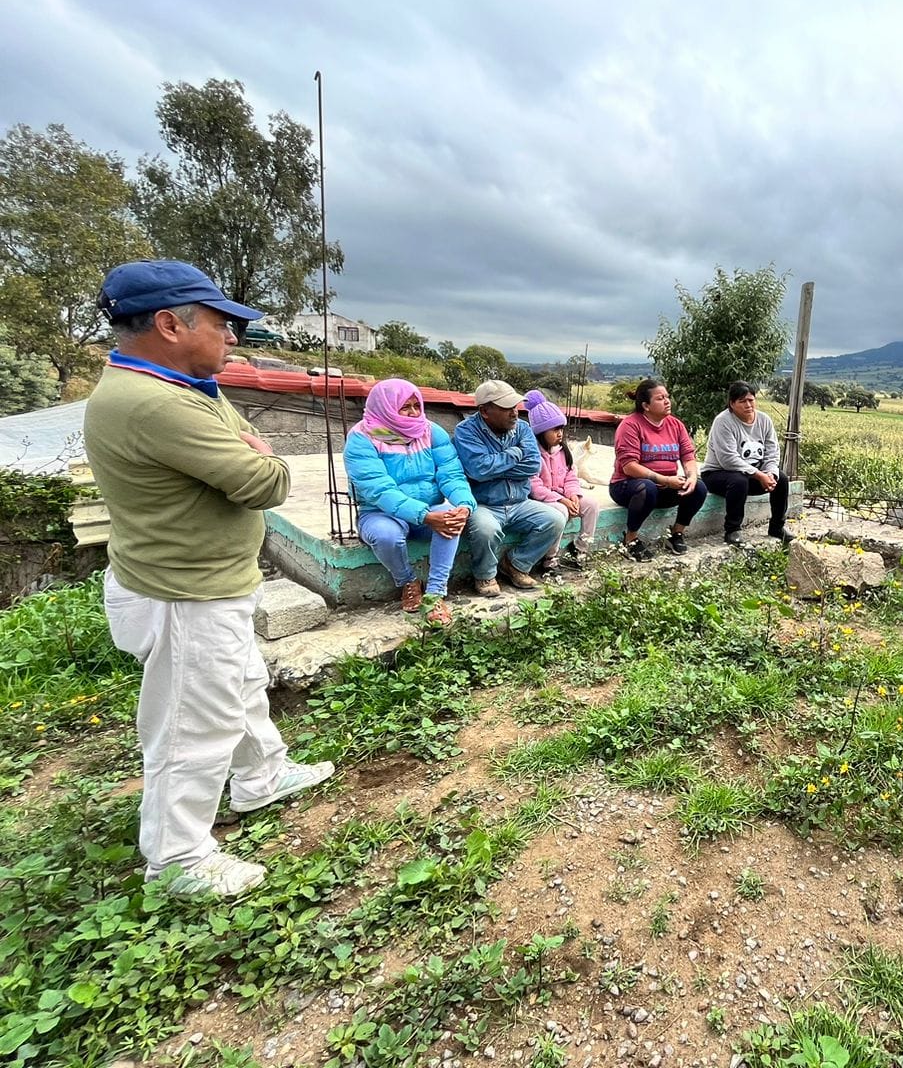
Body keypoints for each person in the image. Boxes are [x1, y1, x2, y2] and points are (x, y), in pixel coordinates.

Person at [83, 259, 334, 897]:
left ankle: (261, 777)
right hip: (183, 591)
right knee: (193, 723)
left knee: (240, 685)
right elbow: (264, 480)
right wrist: (264, 459)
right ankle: (178, 858)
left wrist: (252, 448)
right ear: (170, 323)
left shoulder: (185, 388)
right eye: (223, 323)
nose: (233, 337)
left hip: (206, 579)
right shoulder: (153, 404)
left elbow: (246, 444)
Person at [343, 378, 475, 622]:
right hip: (380, 512)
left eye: (417, 405)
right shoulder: (363, 438)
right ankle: (408, 582)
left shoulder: (430, 431)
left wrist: (464, 504)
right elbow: (379, 489)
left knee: (451, 521)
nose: (414, 413)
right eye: (405, 407)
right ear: (385, 407)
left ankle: (435, 595)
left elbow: (451, 473)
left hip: (429, 510)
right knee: (386, 536)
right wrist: (424, 515)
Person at [454, 380, 563, 594]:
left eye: (515, 406)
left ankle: (515, 564)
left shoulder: (522, 428)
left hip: (520, 502)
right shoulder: (466, 431)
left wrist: (492, 466)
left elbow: (533, 465)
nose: (514, 412)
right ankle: (484, 576)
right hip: (484, 504)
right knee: (486, 529)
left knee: (554, 519)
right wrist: (514, 455)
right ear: (485, 411)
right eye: (507, 408)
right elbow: (478, 470)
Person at [609, 377, 707, 560]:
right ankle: (630, 540)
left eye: (667, 397)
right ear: (646, 405)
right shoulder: (630, 425)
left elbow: (688, 456)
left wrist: (691, 476)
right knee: (647, 487)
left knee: (699, 487)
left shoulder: (675, 425)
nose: (667, 401)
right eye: (660, 398)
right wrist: (665, 480)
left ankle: (676, 534)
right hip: (628, 487)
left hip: (664, 487)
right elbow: (629, 467)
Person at [701, 380, 795, 546]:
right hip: (717, 474)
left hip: (754, 474)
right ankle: (732, 530)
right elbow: (728, 459)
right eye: (742, 401)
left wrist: (770, 473)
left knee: (781, 479)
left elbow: (772, 451)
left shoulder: (764, 420)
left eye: (751, 400)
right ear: (732, 403)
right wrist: (759, 475)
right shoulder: (723, 421)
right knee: (738, 480)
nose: (748, 405)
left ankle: (777, 527)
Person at [523, 389, 598, 571]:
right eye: (555, 429)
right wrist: (562, 500)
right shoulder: (533, 454)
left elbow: (571, 476)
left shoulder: (563, 451)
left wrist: (573, 494)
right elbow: (534, 486)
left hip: (564, 495)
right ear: (540, 432)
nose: (560, 434)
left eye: (561, 428)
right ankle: (550, 557)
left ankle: (580, 548)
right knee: (560, 512)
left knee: (591, 505)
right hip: (544, 500)